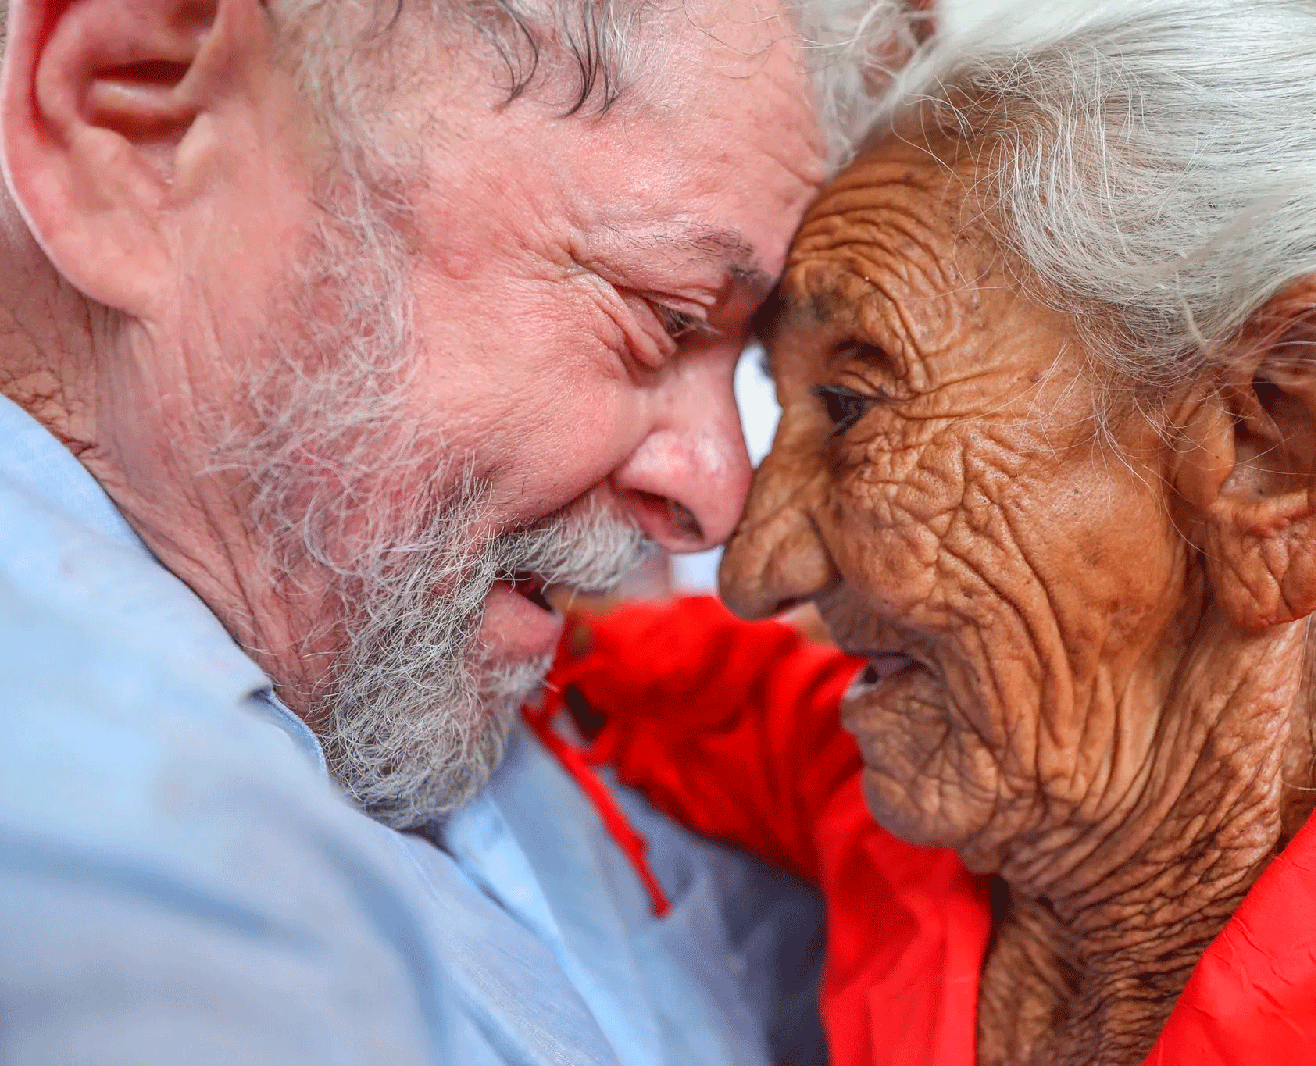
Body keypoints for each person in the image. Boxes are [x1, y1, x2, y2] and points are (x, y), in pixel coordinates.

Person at [530, 1, 1316, 1063]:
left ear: (1288, 444)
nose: (757, 570)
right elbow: (689, 689)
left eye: (854, 405)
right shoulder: (917, 795)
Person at [0, 1, 922, 1063]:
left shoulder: (409, 636)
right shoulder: (104, 869)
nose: (719, 497)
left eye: (743, 368)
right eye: (660, 314)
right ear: (137, 129)